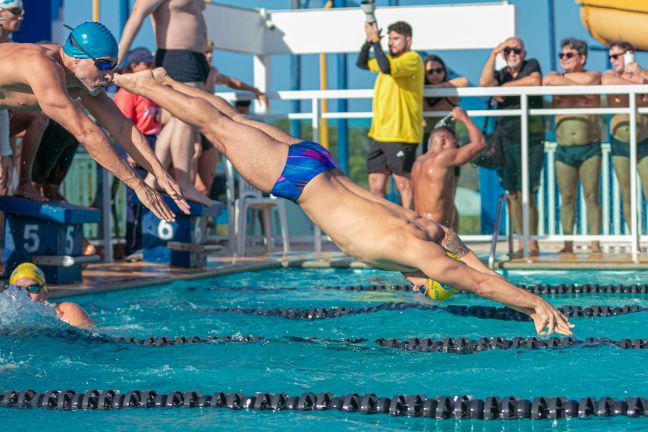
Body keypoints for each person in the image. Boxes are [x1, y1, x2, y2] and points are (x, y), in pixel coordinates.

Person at [113, 68, 574, 336]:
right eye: (423, 287)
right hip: (298, 179)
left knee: (228, 117)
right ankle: (136, 83)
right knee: (215, 126)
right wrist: (534, 306)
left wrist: (521, 298)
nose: (413, 288)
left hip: (319, 161)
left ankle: (162, 79)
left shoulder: (429, 229)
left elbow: (472, 260)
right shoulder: (418, 253)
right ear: (425, 282)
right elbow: (475, 282)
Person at [0, 21, 189, 223]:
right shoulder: (42, 66)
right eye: (103, 64)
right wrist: (137, 184)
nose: (108, 75)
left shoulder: (82, 76)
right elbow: (87, 133)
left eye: (113, 66)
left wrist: (160, 173)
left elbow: (121, 127)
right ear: (76, 58)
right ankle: (28, 184)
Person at [118, 0, 214, 206]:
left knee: (179, 121)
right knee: (186, 118)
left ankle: (154, 178)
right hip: (178, 56)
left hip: (195, 59)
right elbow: (137, 14)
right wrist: (117, 59)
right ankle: (185, 184)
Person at [479, 36, 544, 257]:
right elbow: (484, 84)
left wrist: (505, 87)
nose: (513, 54)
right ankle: (520, 243)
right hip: (506, 140)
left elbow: (535, 81)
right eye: (508, 51)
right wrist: (493, 53)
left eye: (516, 50)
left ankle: (532, 244)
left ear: (524, 53)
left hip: (530, 139)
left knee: (528, 191)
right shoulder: (501, 72)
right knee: (513, 192)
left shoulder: (531, 65)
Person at [357, 21, 424, 209]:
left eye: (396, 38)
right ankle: (384, 228)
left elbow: (386, 68)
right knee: (376, 186)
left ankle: (410, 227)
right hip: (380, 134)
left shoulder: (412, 58)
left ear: (408, 39)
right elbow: (361, 63)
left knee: (403, 183)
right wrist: (369, 42)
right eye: (390, 39)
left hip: (402, 133)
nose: (391, 43)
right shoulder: (386, 60)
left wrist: (376, 41)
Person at [544, 38, 602, 253]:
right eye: (562, 55)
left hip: (590, 148)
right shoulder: (553, 76)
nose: (563, 59)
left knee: (591, 196)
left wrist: (567, 85)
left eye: (569, 55)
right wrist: (577, 87)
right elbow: (547, 81)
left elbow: (591, 81)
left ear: (582, 58)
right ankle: (568, 244)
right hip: (563, 148)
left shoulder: (594, 75)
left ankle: (595, 245)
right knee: (567, 198)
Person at [195, 40, 267, 196]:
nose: (209, 55)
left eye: (211, 52)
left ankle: (201, 220)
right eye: (206, 52)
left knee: (204, 188)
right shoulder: (188, 73)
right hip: (192, 127)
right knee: (190, 183)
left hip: (208, 129)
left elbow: (232, 82)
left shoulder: (212, 72)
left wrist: (255, 90)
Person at [114, 47, 162, 257]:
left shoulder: (152, 92)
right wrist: (130, 152)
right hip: (133, 141)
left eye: (152, 64)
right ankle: (133, 246)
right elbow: (121, 125)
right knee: (136, 196)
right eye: (146, 65)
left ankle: (149, 243)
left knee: (154, 193)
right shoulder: (127, 92)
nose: (150, 69)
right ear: (134, 67)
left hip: (152, 142)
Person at [411, 107, 486, 230]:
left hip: (421, 226)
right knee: (464, 250)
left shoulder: (418, 163)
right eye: (454, 144)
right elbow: (480, 144)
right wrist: (465, 118)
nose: (455, 148)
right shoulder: (442, 158)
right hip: (437, 230)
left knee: (461, 250)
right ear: (444, 140)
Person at [602, 41, 648, 230]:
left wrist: (638, 74)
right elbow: (609, 83)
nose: (612, 60)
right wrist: (638, 82)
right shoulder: (609, 74)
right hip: (620, 141)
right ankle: (633, 239)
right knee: (627, 192)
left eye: (616, 56)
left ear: (629, 55)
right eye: (610, 56)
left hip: (644, 140)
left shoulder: (643, 73)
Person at [3, 263, 94, 329]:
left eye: (32, 288)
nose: (25, 293)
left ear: (45, 293)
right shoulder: (6, 319)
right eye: (18, 289)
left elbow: (90, 343)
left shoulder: (67, 312)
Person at [422, 54, 468, 154]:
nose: (435, 74)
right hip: (425, 139)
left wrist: (439, 86)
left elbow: (464, 81)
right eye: (430, 72)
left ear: (444, 71)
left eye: (439, 70)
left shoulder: (450, 89)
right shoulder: (421, 90)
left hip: (447, 139)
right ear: (424, 74)